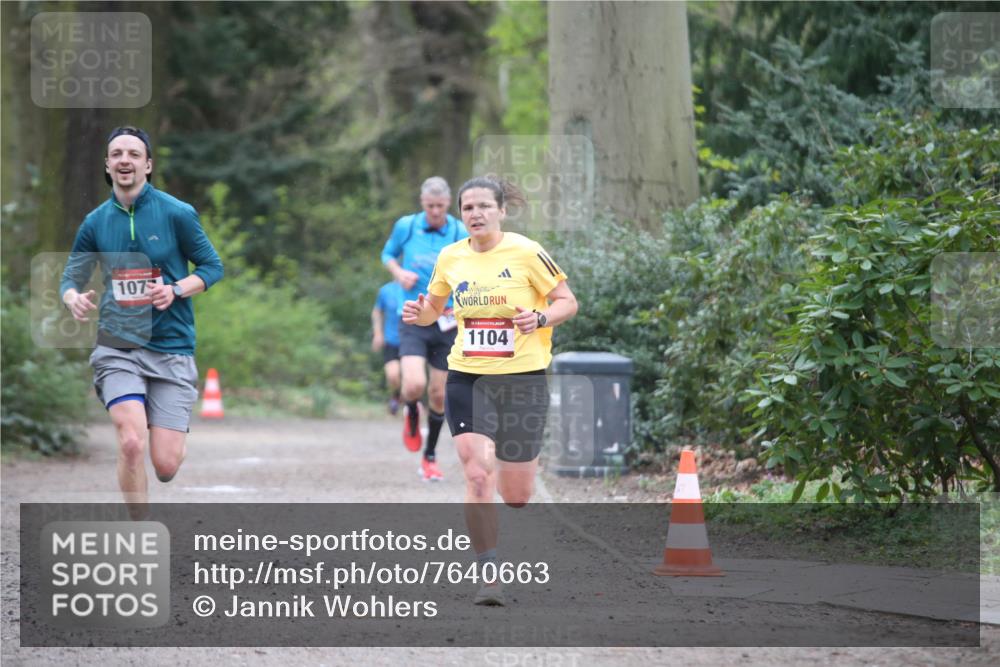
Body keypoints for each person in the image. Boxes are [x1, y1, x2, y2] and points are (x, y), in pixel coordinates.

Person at [402, 176, 578, 605]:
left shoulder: (526, 251)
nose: (475, 214)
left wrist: (539, 318)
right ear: (460, 215)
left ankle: (506, 468)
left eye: (484, 206)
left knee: (516, 497)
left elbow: (567, 301)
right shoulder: (450, 257)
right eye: (468, 208)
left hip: (522, 379)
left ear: (501, 210)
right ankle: (489, 575)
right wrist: (418, 312)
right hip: (468, 375)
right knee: (477, 474)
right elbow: (433, 313)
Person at [60, 126, 224, 519]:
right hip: (118, 346)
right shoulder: (96, 221)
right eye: (117, 154)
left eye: (134, 154)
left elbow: (212, 267)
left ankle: (159, 413)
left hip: (171, 347)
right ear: (107, 164)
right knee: (131, 442)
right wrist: (72, 298)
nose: (124, 160)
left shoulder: (177, 213)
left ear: (148, 165)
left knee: (166, 465)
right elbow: (71, 278)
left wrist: (177, 289)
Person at [381, 176, 469, 482]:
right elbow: (387, 254)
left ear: (448, 205)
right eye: (430, 206)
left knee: (439, 394)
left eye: (440, 206)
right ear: (422, 203)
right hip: (414, 316)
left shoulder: (459, 230)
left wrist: (464, 300)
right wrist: (398, 272)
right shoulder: (406, 225)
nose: (435, 211)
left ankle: (429, 456)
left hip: (447, 321)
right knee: (414, 385)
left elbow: (471, 266)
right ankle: (411, 410)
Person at [371, 281, 403, 415]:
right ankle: (396, 395)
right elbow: (377, 311)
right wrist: (378, 334)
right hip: (391, 340)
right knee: (393, 375)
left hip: (414, 341)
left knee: (411, 378)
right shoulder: (385, 290)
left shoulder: (419, 288)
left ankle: (411, 406)